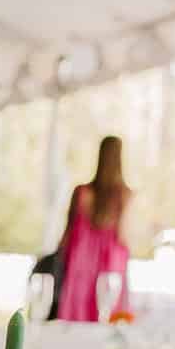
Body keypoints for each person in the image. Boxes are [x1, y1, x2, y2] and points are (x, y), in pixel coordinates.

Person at [53, 135, 131, 322]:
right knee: (107, 319)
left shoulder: (81, 192)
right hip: (110, 266)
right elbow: (124, 236)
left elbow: (67, 235)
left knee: (75, 322)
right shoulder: (124, 196)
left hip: (79, 266)